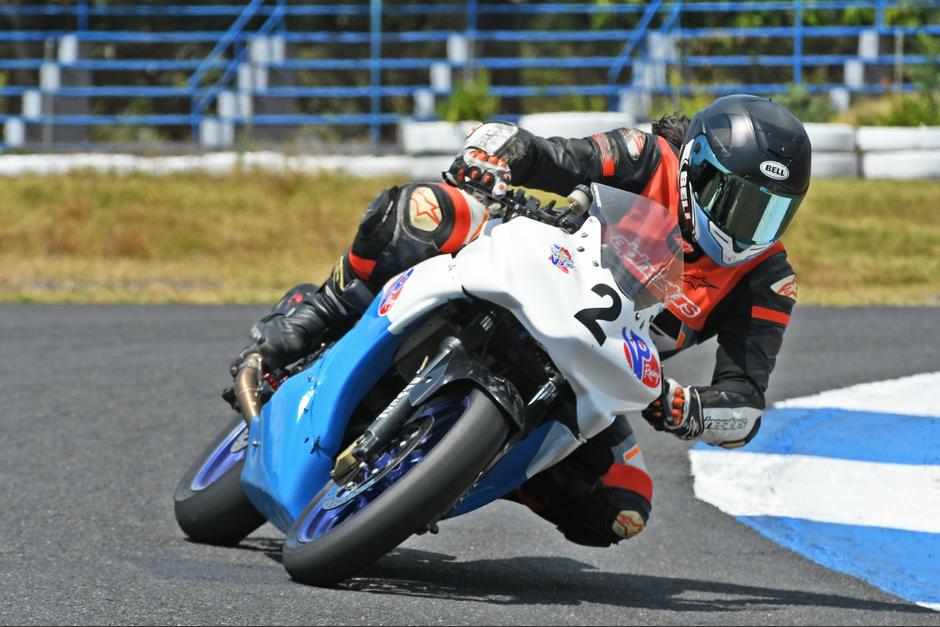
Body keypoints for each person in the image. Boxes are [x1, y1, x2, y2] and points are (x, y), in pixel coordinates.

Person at [230, 94, 812, 548]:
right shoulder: (647, 155)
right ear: (694, 168)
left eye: (769, 212)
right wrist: (494, 157)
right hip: (536, 273)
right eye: (732, 198)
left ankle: (463, 471)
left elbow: (746, 399)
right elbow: (552, 156)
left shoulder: (766, 278)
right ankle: (316, 318)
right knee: (427, 211)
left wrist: (692, 410)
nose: (744, 225)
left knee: (623, 508)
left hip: (588, 374)